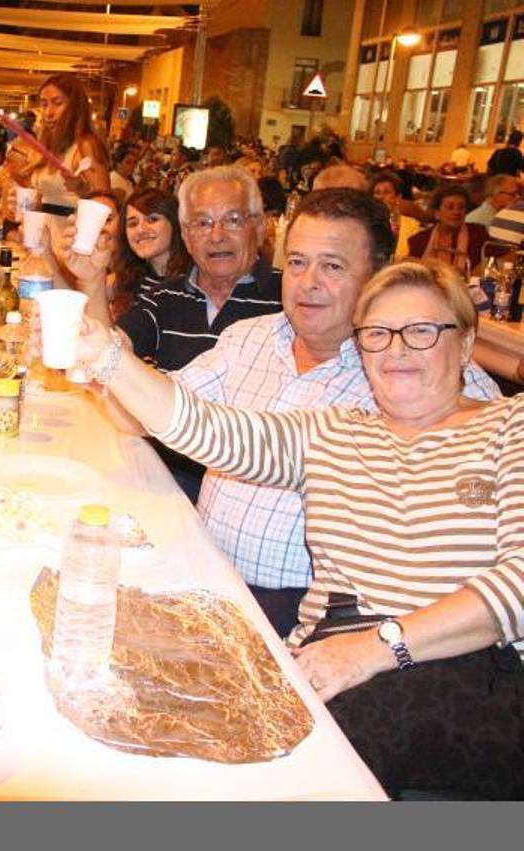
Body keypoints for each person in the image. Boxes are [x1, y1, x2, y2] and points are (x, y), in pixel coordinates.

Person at [64, 259, 524, 799]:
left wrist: (376, 649)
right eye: (377, 334)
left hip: (452, 672)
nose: (396, 350)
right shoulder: (331, 431)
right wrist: (108, 357)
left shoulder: (508, 425)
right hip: (325, 659)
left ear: (465, 346)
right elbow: (207, 429)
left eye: (422, 332)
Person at [173, 189, 499, 636]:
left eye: (332, 266)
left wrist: (390, 644)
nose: (308, 282)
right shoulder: (249, 338)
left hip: (317, 617)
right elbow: (180, 414)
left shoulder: (419, 375)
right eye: (297, 262)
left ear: (379, 278)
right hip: (206, 573)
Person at [70, 165, 282, 501]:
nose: (216, 236)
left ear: (259, 226)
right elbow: (110, 350)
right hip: (161, 474)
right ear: (185, 234)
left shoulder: (286, 302)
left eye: (233, 220)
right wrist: (92, 279)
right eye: (202, 223)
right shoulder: (166, 296)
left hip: (245, 491)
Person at [28, 73, 111, 283]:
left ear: (75, 106)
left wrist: (81, 189)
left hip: (71, 244)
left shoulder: (85, 146)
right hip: (42, 239)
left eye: (57, 103)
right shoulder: (46, 147)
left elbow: (106, 207)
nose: (49, 112)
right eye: (44, 104)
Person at [111, 187, 191, 318]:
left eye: (152, 219)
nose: (140, 230)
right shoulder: (126, 280)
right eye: (133, 224)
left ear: (175, 222)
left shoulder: (196, 278)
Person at [408, 184, 489, 273]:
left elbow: (505, 255)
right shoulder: (419, 240)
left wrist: (479, 270)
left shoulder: (477, 233)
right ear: (436, 213)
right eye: (450, 207)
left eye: (461, 207)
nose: (456, 212)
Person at [371, 170, 422, 260]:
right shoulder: (366, 222)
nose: (381, 197)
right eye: (377, 193)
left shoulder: (412, 225)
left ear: (398, 197)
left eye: (386, 192)